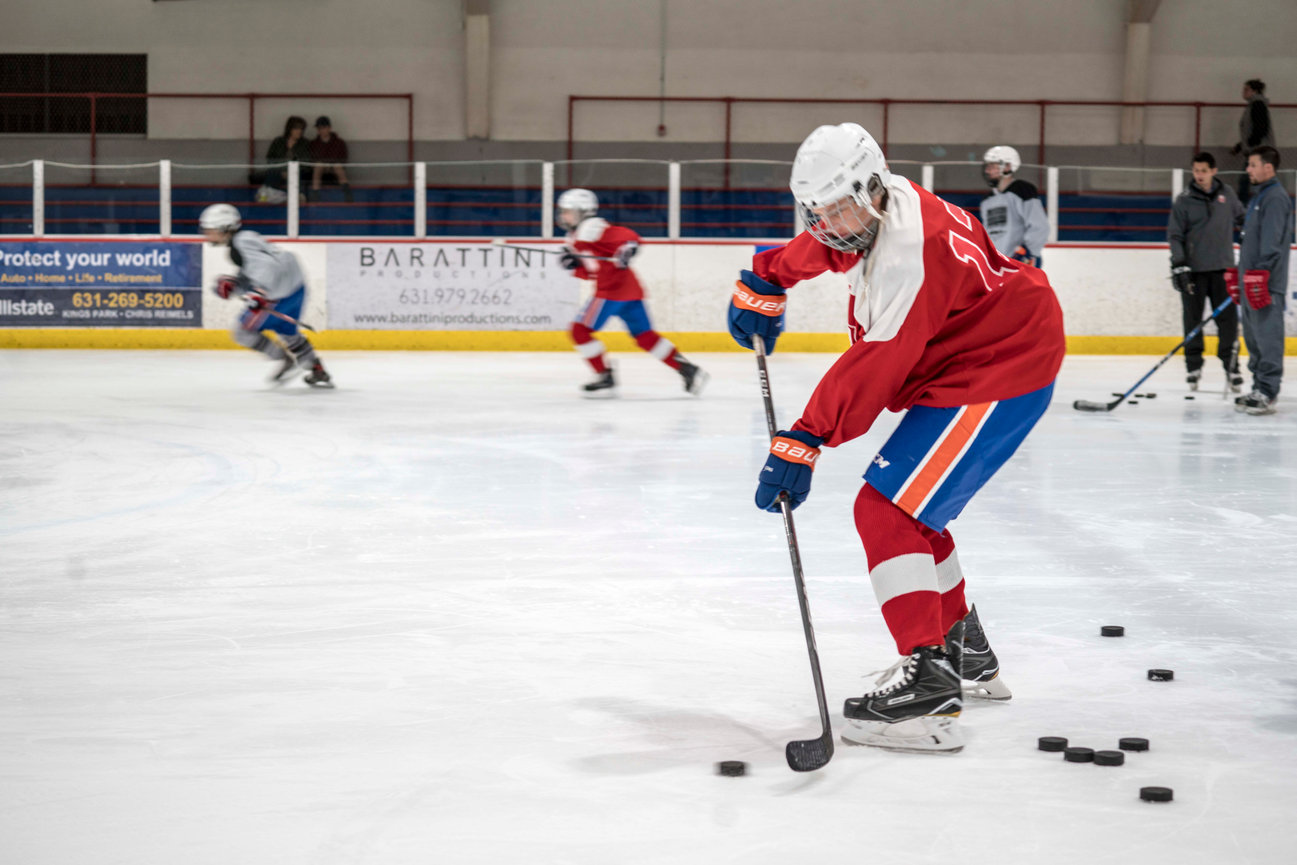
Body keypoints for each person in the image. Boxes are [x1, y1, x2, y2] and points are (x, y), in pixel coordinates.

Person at [727, 123, 1065, 752]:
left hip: (1001, 366)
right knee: (916, 514)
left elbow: (879, 363)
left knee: (886, 511)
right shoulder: (885, 202)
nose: (826, 223)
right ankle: (962, 650)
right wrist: (770, 275)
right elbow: (838, 243)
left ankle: (928, 690)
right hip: (977, 358)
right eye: (816, 211)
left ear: (870, 189)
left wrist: (805, 438)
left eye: (837, 207)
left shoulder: (911, 253)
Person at [558, 188, 708, 396]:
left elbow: (628, 237)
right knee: (645, 336)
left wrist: (627, 249)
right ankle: (688, 369)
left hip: (610, 293)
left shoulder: (592, 228)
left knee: (579, 331)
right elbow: (594, 268)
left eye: (568, 211)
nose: (564, 216)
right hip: (630, 291)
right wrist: (575, 264)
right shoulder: (576, 236)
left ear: (582, 212)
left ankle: (604, 375)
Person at [199, 203, 333, 388]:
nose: (206, 234)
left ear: (224, 228)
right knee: (287, 332)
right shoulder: (246, 238)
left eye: (209, 230)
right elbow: (259, 267)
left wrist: (259, 292)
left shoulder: (239, 244)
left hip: (277, 294)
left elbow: (266, 267)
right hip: (296, 288)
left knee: (243, 333)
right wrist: (235, 286)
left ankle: (284, 360)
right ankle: (317, 369)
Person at [1166, 151, 1245, 392]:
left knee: (1228, 322)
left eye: (1203, 171)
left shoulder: (1227, 194)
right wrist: (1179, 263)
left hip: (1223, 269)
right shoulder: (1184, 200)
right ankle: (1193, 366)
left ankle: (1231, 365)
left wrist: (1249, 237)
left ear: (1214, 171)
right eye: (1196, 171)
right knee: (1192, 319)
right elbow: (1175, 235)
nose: (1199, 175)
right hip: (1194, 271)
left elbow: (1242, 219)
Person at [1233, 146, 1293, 415]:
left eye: (1252, 165)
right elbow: (1251, 241)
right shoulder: (1260, 196)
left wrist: (1261, 272)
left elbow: (1272, 240)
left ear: (1268, 167)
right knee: (1254, 338)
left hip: (1264, 282)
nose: (1248, 170)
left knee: (1268, 337)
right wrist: (1239, 273)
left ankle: (1268, 391)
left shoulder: (1275, 198)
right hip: (1250, 279)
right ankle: (1258, 386)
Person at [979, 145, 1049, 266]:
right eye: (987, 166)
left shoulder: (1022, 190)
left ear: (1008, 167)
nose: (987, 171)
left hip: (1022, 260)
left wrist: (1027, 253)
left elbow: (1040, 226)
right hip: (997, 263)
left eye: (992, 166)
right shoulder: (987, 200)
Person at [1231, 80, 1275, 203]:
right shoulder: (1253, 106)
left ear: (1254, 91)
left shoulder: (1257, 105)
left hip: (1258, 151)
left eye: (1246, 89)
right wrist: (1240, 146)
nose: (1243, 92)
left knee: (1248, 181)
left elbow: (1260, 128)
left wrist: (1249, 145)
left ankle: (1246, 207)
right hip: (1255, 150)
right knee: (1249, 181)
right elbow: (1251, 131)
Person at [259, 116, 311, 203]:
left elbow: (306, 162)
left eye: (301, 129)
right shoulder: (278, 141)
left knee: (298, 176)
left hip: (297, 171)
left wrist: (292, 171)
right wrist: (282, 170)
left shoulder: (305, 143)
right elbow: (270, 159)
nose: (299, 131)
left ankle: (299, 195)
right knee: (272, 173)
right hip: (279, 170)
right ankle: (268, 195)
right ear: (289, 129)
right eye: (296, 128)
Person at [308, 116, 353, 203]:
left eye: (324, 128)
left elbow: (343, 158)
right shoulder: (314, 143)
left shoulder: (339, 142)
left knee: (337, 166)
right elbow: (313, 158)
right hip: (320, 168)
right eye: (319, 128)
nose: (321, 131)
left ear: (329, 128)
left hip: (334, 168)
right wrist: (324, 164)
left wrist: (331, 164)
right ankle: (315, 193)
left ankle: (347, 192)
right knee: (318, 165)